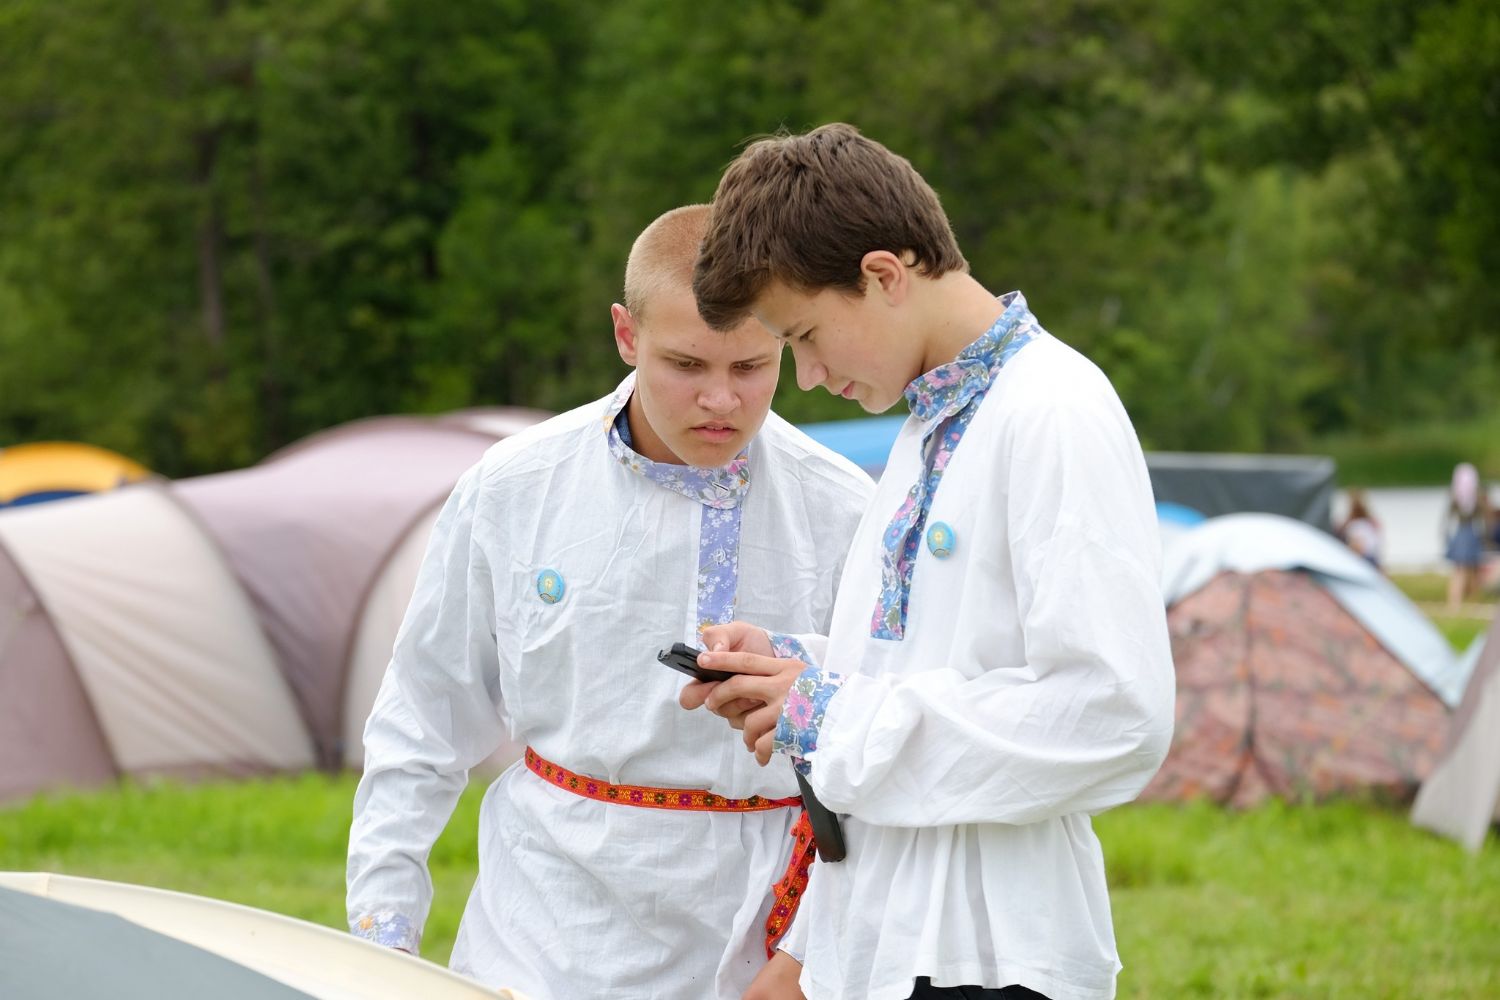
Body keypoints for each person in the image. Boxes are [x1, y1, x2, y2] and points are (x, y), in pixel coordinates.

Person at [681, 123, 1177, 1000]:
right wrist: (798, 673)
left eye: (806, 335)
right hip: (885, 943)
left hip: (993, 957)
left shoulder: (1054, 411)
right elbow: (936, 665)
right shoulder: (926, 427)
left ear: (883, 275)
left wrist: (833, 715)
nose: (807, 375)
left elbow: (1115, 713)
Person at [345, 204, 874, 998]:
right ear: (627, 335)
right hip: (547, 935)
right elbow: (422, 720)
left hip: (758, 936)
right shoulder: (515, 487)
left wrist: (809, 956)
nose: (720, 399)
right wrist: (382, 939)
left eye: (749, 367)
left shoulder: (844, 509)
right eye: (686, 365)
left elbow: (874, 751)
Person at [1443, 462, 1489, 609]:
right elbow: (1483, 517)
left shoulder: (1454, 497)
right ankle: (1460, 603)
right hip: (1469, 535)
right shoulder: (1475, 498)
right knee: (1466, 570)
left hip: (1460, 535)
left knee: (1464, 570)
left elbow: (1448, 519)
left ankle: (1461, 602)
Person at [1337, 488, 1382, 570]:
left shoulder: (1354, 525)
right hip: (1371, 557)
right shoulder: (1371, 523)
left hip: (1363, 558)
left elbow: (1358, 546)